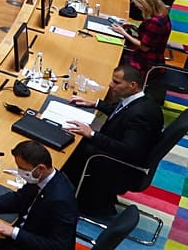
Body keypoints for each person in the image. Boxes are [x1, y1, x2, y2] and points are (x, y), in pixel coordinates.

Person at [60, 65, 162, 220]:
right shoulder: (140, 100)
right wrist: (95, 104)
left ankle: (65, 198)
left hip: (121, 165)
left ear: (132, 85)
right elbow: (120, 112)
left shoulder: (142, 115)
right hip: (120, 154)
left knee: (73, 147)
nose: (110, 85)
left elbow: (129, 150)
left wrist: (92, 134)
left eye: (116, 82)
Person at [0, 140, 77, 250]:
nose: (20, 172)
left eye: (22, 168)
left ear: (40, 168)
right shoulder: (39, 179)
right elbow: (19, 198)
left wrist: (13, 232)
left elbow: (60, 247)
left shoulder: (61, 200)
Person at [112, 0, 170, 77]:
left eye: (136, 2)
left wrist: (123, 33)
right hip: (153, 57)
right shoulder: (162, 14)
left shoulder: (154, 22)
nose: (135, 5)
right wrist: (133, 27)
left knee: (113, 58)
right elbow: (150, 36)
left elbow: (144, 47)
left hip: (147, 62)